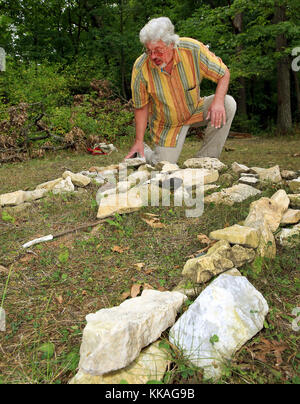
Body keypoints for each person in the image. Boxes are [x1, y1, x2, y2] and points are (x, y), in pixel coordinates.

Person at [125, 17, 236, 165]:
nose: (153, 56)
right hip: (167, 124)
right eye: (149, 51)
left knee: (228, 103)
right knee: (163, 165)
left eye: (158, 50)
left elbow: (223, 73)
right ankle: (143, 151)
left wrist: (217, 102)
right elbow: (141, 106)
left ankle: (205, 160)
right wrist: (139, 140)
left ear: (171, 44)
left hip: (194, 109)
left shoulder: (192, 50)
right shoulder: (140, 67)